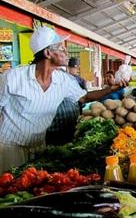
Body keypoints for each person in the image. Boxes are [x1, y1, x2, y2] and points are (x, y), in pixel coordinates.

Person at [0, 27, 127, 173]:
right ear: (47, 53)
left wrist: (110, 90)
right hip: (9, 148)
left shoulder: (63, 80)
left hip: (39, 146)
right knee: (8, 189)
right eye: (61, 48)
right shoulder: (13, 77)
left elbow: (84, 97)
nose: (66, 52)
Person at [46, 58, 87, 145]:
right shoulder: (46, 79)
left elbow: (84, 98)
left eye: (76, 68)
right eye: (73, 67)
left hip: (72, 121)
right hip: (54, 127)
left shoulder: (77, 80)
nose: (75, 69)